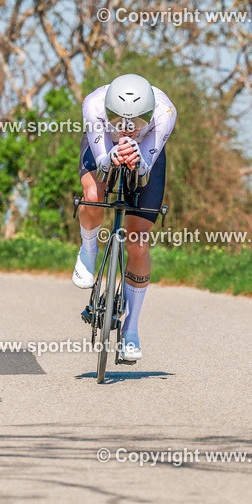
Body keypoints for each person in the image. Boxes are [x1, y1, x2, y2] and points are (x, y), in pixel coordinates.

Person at [73, 73, 177, 362]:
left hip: (146, 152)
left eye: (138, 121)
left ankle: (131, 330)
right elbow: (103, 162)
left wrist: (138, 161)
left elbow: (145, 170)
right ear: (107, 110)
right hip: (103, 143)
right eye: (117, 118)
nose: (128, 128)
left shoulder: (165, 111)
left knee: (139, 240)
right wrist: (110, 157)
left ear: (149, 113)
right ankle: (89, 248)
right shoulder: (93, 103)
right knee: (93, 194)